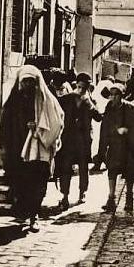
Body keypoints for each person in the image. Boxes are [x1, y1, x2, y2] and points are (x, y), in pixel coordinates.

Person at [0, 64, 64, 231]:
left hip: (38, 150)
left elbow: (57, 120)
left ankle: (34, 215)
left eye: (31, 81)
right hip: (17, 150)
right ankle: (23, 212)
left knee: (38, 183)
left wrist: (39, 128)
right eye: (25, 82)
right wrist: (3, 144)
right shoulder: (13, 102)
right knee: (19, 184)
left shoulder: (46, 100)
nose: (28, 85)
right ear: (20, 83)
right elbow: (4, 124)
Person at [94, 83, 134, 215]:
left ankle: (129, 197)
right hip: (114, 145)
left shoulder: (131, 108)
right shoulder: (109, 107)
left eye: (116, 95)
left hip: (129, 146)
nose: (113, 98)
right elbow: (105, 126)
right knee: (112, 170)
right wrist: (103, 147)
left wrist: (127, 130)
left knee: (129, 172)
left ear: (121, 96)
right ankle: (111, 199)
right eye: (111, 95)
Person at [55, 72, 102, 209]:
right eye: (80, 87)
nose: (81, 90)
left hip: (83, 139)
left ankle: (82, 192)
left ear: (88, 88)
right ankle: (64, 196)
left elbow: (98, 117)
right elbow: (57, 115)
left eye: (85, 88)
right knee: (65, 167)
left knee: (83, 167)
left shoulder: (90, 101)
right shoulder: (65, 99)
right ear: (76, 85)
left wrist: (90, 104)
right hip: (68, 138)